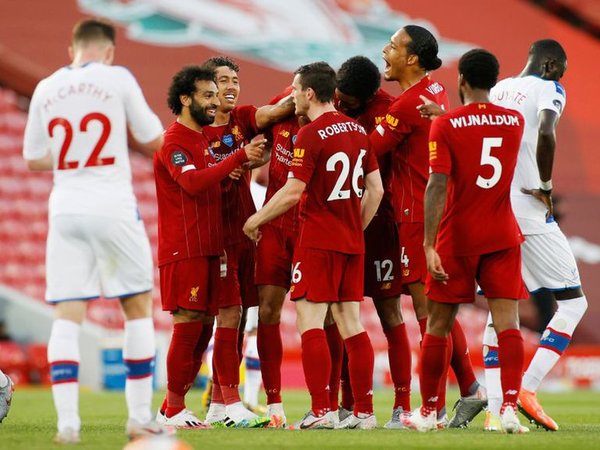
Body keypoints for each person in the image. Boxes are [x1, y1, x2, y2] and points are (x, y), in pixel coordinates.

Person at [22, 18, 166, 443]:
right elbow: (153, 136)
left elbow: (32, 158)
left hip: (65, 208)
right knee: (136, 306)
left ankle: (68, 426)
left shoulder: (46, 86)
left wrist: (75, 160)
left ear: (72, 51)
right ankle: (139, 418)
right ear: (108, 51)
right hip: (112, 205)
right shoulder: (117, 77)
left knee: (67, 314)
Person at [244, 61, 384, 430]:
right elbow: (377, 190)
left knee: (309, 322)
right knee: (351, 323)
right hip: (351, 241)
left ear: (309, 92)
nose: (290, 95)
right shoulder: (357, 130)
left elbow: (293, 191)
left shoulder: (311, 134)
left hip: (317, 239)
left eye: (294, 89)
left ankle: (320, 410)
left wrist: (255, 219)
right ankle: (364, 413)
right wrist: (356, 226)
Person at [402, 48, 528, 434]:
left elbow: (437, 185)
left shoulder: (447, 125)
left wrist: (427, 244)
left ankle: (428, 412)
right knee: (508, 325)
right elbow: (482, 135)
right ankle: (507, 408)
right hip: (502, 234)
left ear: (462, 81)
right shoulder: (515, 121)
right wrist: (446, 119)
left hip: (457, 237)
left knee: (439, 324)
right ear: (493, 80)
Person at [371, 25, 486, 427]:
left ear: (412, 58)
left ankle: (434, 405)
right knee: (438, 313)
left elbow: (366, 152)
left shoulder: (407, 106)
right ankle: (469, 390)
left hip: (418, 215)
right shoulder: (434, 92)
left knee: (428, 314)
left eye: (393, 46)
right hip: (433, 212)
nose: (385, 50)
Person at [153, 65, 265, 428]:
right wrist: (236, 159)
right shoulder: (173, 141)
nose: (215, 102)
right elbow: (193, 184)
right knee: (188, 323)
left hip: (211, 244)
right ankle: (172, 408)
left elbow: (210, 180)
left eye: (216, 96)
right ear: (186, 99)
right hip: (184, 247)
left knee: (203, 327)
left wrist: (232, 170)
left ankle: (192, 406)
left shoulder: (201, 140)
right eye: (207, 95)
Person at [485, 39, 586, 431]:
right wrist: (545, 183)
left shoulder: (498, 90)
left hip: (493, 208)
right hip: (528, 207)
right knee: (574, 305)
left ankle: (496, 408)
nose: (562, 76)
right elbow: (546, 129)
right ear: (549, 64)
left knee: (501, 304)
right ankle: (527, 387)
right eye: (561, 68)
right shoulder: (548, 88)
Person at [199, 56, 293, 428]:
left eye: (235, 80)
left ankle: (220, 404)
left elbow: (272, 112)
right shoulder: (194, 129)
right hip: (213, 232)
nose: (231, 86)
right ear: (206, 87)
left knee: (236, 321)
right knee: (222, 317)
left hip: (242, 231)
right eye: (223, 80)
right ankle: (223, 401)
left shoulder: (241, 118)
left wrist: (301, 94)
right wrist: (239, 159)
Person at [333, 55, 411, 427]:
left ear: (367, 96)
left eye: (348, 100)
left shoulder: (389, 111)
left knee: (388, 312)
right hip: (340, 220)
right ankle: (347, 404)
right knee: (341, 314)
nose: (341, 103)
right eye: (339, 96)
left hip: (380, 223)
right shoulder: (330, 101)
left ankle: (402, 404)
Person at [253, 87, 304, 428]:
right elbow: (257, 124)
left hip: (310, 227)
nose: (295, 94)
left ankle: (331, 405)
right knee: (267, 311)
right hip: (274, 226)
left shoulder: (332, 120)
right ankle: (273, 404)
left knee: (323, 316)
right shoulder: (283, 108)